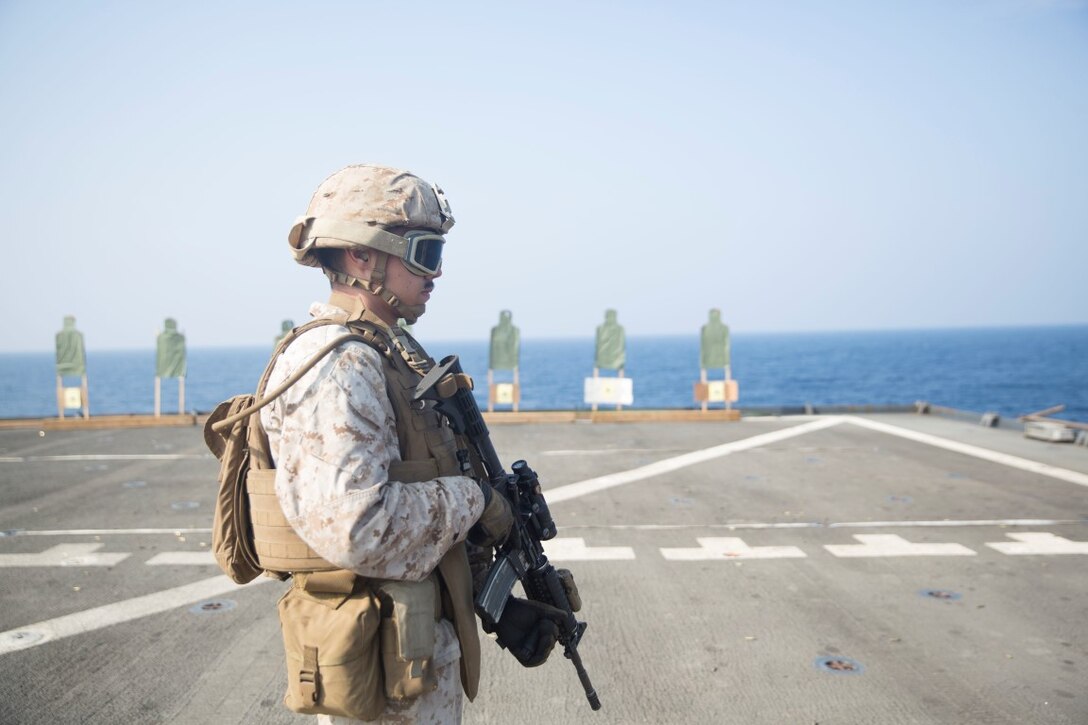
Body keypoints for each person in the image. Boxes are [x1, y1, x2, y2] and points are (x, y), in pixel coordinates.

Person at [259, 164, 562, 724]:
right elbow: (358, 527)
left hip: (411, 660)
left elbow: (411, 531)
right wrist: (475, 499)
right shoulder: (339, 363)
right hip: (380, 685)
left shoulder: (386, 351)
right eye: (424, 253)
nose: (437, 273)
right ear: (362, 257)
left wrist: (496, 608)